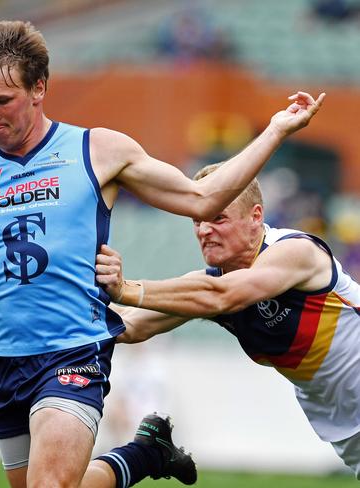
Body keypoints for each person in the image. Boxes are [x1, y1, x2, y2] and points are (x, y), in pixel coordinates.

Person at [0, 20, 324, 488]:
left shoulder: (99, 151)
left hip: (74, 351)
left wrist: (273, 132)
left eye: (3, 100)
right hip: (3, 365)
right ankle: (143, 455)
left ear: (39, 88)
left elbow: (203, 196)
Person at [95, 162, 360, 479]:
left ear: (256, 217)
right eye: (197, 220)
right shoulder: (208, 287)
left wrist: (126, 288)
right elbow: (131, 325)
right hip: (346, 428)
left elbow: (224, 295)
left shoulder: (294, 251)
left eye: (218, 217)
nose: (204, 230)